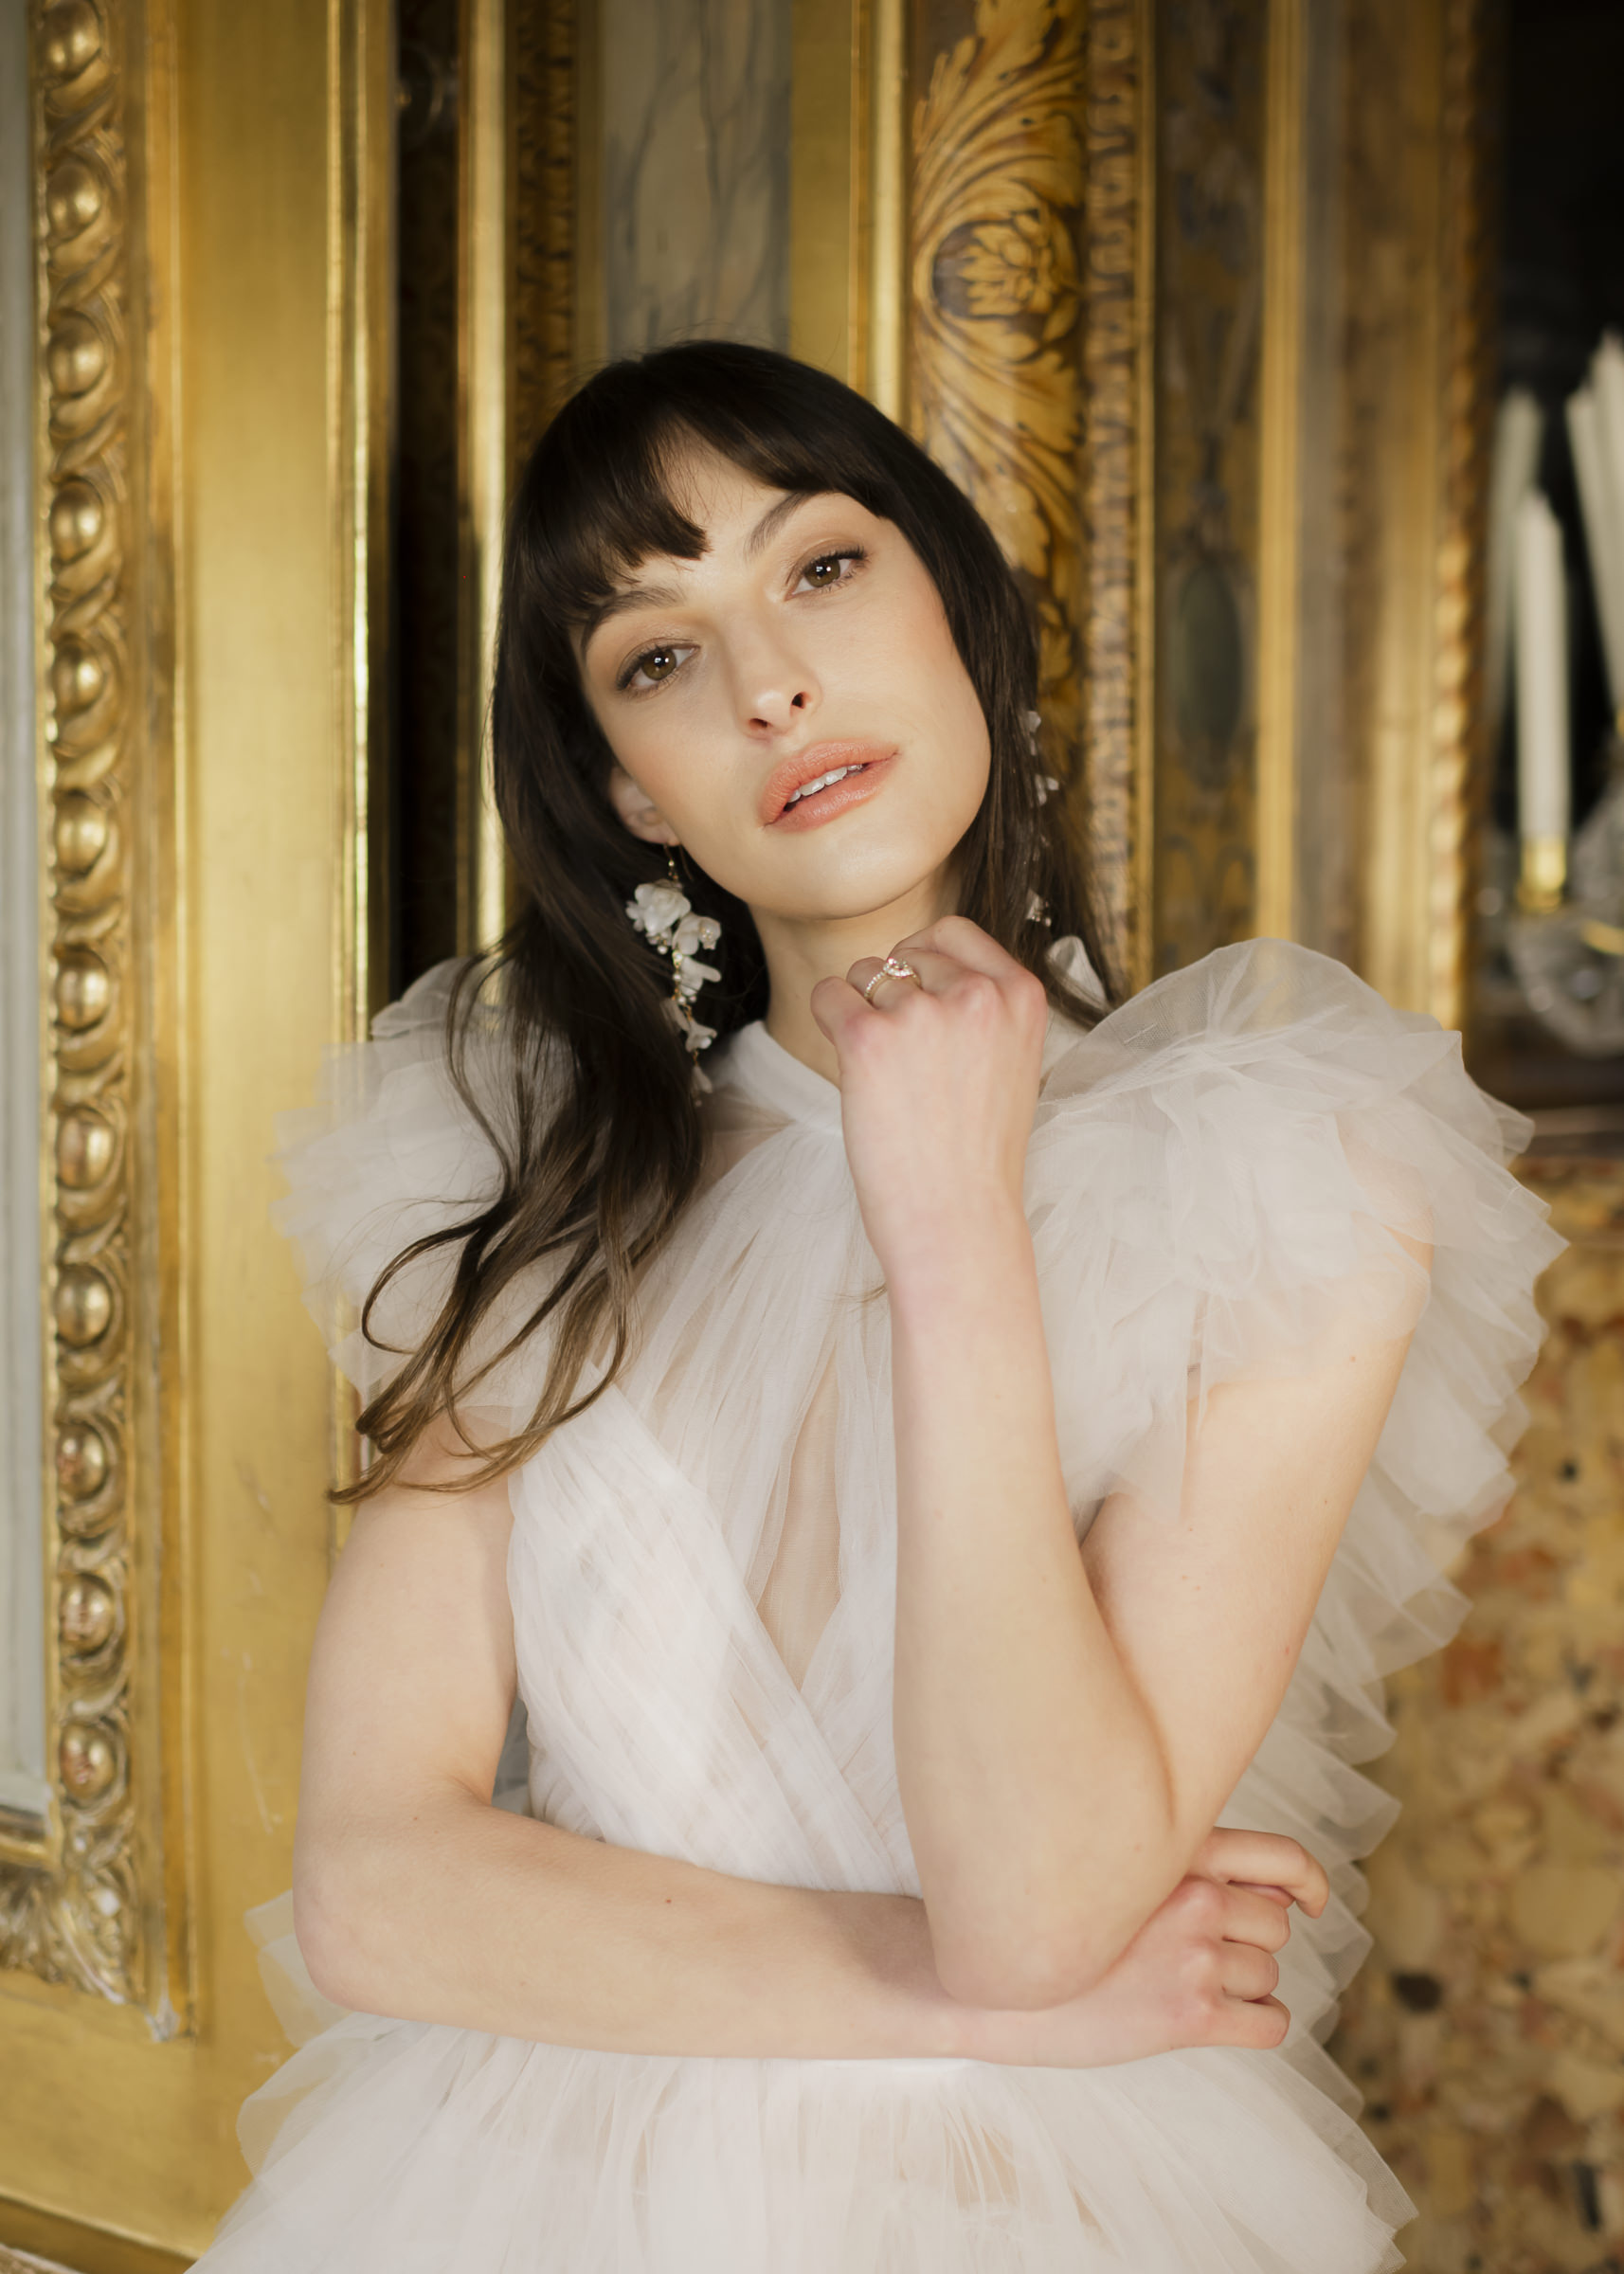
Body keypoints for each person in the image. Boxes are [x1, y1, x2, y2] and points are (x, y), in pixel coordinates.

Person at [196, 342, 1559, 2272]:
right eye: (657, 657)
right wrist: (961, 2002)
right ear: (631, 789)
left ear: (953, 607)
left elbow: (1036, 1904)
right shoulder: (521, 1190)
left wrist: (950, 1226)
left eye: (819, 568)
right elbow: (375, 1891)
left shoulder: (1277, 1186)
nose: (767, 684)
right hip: (514, 2193)